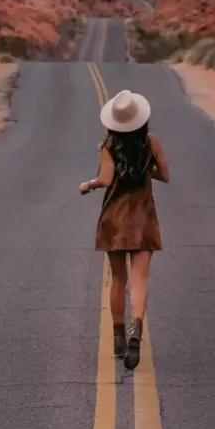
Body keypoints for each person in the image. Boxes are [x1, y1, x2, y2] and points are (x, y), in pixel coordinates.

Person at [80, 89, 170, 370]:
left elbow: (106, 179)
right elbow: (165, 175)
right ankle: (136, 335)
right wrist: (144, 170)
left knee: (118, 280)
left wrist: (88, 185)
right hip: (143, 218)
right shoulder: (151, 142)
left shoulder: (107, 145)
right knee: (140, 280)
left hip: (115, 220)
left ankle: (118, 337)